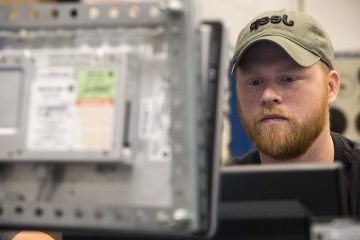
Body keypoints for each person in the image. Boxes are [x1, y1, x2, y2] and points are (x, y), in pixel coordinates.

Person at [228, 9, 360, 215]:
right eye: (255, 82)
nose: (268, 95)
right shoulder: (221, 198)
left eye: (288, 79)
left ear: (331, 87)